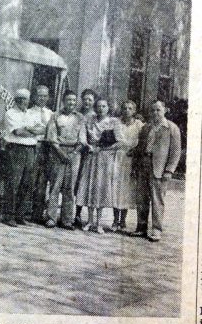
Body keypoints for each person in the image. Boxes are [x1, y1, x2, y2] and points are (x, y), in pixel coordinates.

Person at [133, 101, 181, 242]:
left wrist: (169, 170)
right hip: (144, 164)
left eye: (158, 110)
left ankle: (156, 229)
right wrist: (136, 166)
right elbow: (139, 148)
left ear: (165, 110)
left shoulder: (171, 128)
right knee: (141, 198)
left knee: (157, 199)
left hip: (159, 168)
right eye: (152, 110)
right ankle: (141, 227)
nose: (155, 113)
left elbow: (175, 152)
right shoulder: (146, 127)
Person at [75, 98, 123, 234]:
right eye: (98, 106)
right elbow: (83, 137)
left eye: (104, 106)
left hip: (105, 159)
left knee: (101, 189)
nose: (101, 108)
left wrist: (105, 149)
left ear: (108, 108)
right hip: (91, 156)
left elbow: (120, 142)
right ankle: (89, 220)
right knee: (90, 187)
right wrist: (88, 146)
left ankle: (99, 222)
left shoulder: (113, 122)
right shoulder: (89, 120)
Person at [0, 88, 44, 227]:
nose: (23, 101)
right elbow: (18, 132)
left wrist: (28, 129)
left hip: (30, 149)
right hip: (16, 149)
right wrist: (32, 131)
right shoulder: (10, 113)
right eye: (21, 98)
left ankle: (20, 215)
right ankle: (8, 216)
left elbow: (42, 129)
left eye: (26, 98)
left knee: (27, 183)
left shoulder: (31, 114)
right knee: (14, 183)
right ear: (16, 99)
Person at [44, 90, 83, 230]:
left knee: (70, 188)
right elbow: (51, 138)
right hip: (57, 152)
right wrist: (60, 153)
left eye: (73, 100)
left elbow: (82, 140)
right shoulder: (55, 116)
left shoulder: (80, 118)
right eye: (68, 100)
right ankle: (51, 218)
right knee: (55, 186)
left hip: (74, 153)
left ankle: (67, 220)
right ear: (63, 101)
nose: (71, 103)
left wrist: (73, 153)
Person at [111, 101, 144, 231]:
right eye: (124, 108)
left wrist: (134, 149)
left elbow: (140, 140)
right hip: (119, 158)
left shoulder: (139, 125)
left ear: (134, 111)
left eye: (130, 108)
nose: (127, 111)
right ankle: (115, 220)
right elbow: (119, 139)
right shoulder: (117, 123)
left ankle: (123, 221)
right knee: (116, 187)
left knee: (127, 189)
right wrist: (130, 145)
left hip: (131, 159)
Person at [28, 85, 53, 224]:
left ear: (48, 97)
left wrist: (41, 129)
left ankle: (37, 214)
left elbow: (52, 131)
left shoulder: (51, 113)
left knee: (43, 181)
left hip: (47, 148)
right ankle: (26, 211)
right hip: (34, 146)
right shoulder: (29, 112)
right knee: (31, 179)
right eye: (39, 95)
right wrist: (43, 129)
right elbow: (31, 129)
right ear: (35, 96)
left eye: (45, 96)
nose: (42, 98)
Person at [73, 88, 98, 229]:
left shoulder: (94, 116)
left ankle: (78, 213)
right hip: (75, 150)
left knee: (82, 184)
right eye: (85, 99)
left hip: (86, 153)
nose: (87, 102)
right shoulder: (77, 113)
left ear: (93, 101)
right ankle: (70, 213)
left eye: (90, 99)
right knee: (73, 182)